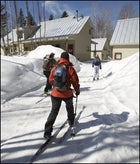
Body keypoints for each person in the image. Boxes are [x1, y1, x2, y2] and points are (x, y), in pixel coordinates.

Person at [44, 51, 80, 139]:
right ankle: (71, 121)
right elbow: (75, 81)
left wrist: (56, 86)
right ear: (67, 58)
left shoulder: (55, 67)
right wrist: (77, 90)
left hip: (55, 93)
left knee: (54, 111)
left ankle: (47, 132)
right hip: (67, 93)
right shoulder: (70, 68)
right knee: (70, 108)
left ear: (60, 58)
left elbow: (50, 80)